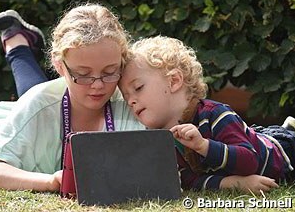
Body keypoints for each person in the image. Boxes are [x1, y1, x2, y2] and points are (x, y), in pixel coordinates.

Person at [0, 3, 144, 193]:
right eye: (83, 74)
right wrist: (50, 181)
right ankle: (15, 42)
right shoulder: (38, 105)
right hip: (18, 114)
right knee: (36, 97)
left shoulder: (134, 99)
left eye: (110, 71)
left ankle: (16, 38)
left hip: (51, 101)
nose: (97, 85)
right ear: (59, 66)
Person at [119, 35, 295, 195]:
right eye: (126, 96)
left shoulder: (215, 114)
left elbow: (250, 160)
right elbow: (188, 182)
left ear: (174, 81)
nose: (131, 101)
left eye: (138, 88)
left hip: (284, 154)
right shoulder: (163, 139)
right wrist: (234, 183)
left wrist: (203, 146)